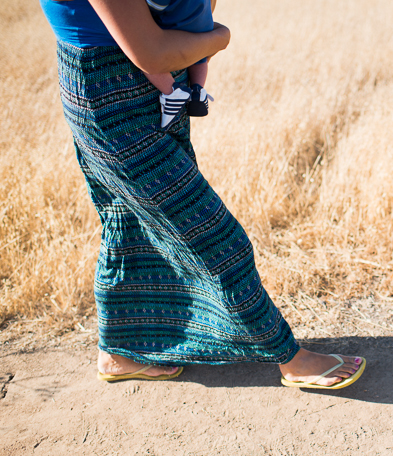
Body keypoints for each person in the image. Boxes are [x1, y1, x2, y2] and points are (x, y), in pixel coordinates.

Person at [39, 0, 366, 390]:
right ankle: (289, 357)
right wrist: (219, 37)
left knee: (127, 222)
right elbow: (151, 51)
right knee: (209, 229)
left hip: (133, 81)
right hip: (111, 87)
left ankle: (118, 352)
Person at [143, 0, 215, 128]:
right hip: (203, 27)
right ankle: (197, 91)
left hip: (177, 34)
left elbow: (155, 6)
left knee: (143, 57)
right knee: (200, 59)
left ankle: (172, 92)